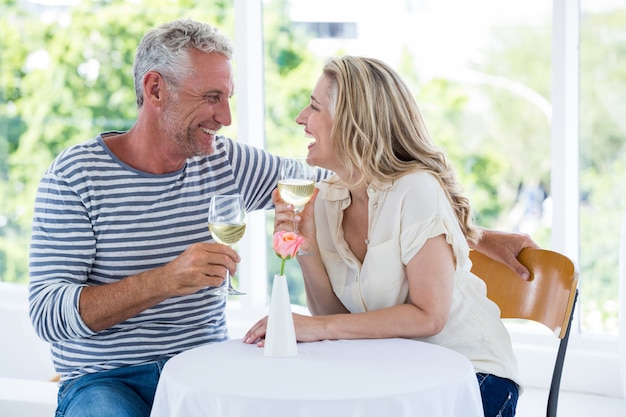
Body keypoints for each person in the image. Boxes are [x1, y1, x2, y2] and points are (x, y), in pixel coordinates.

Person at [28, 19, 535, 417]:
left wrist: (471, 233)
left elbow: (358, 178)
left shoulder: (225, 161)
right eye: (211, 98)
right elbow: (49, 315)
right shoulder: (76, 177)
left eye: (227, 98)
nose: (225, 118)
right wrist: (165, 281)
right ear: (156, 90)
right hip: (105, 379)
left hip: (203, 368)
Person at [244, 55, 525, 417]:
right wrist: (307, 248)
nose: (301, 117)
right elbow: (335, 315)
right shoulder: (326, 198)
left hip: (469, 376)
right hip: (396, 375)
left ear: (351, 122)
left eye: (314, 107)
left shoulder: (416, 190)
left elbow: (429, 316)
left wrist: (314, 327)